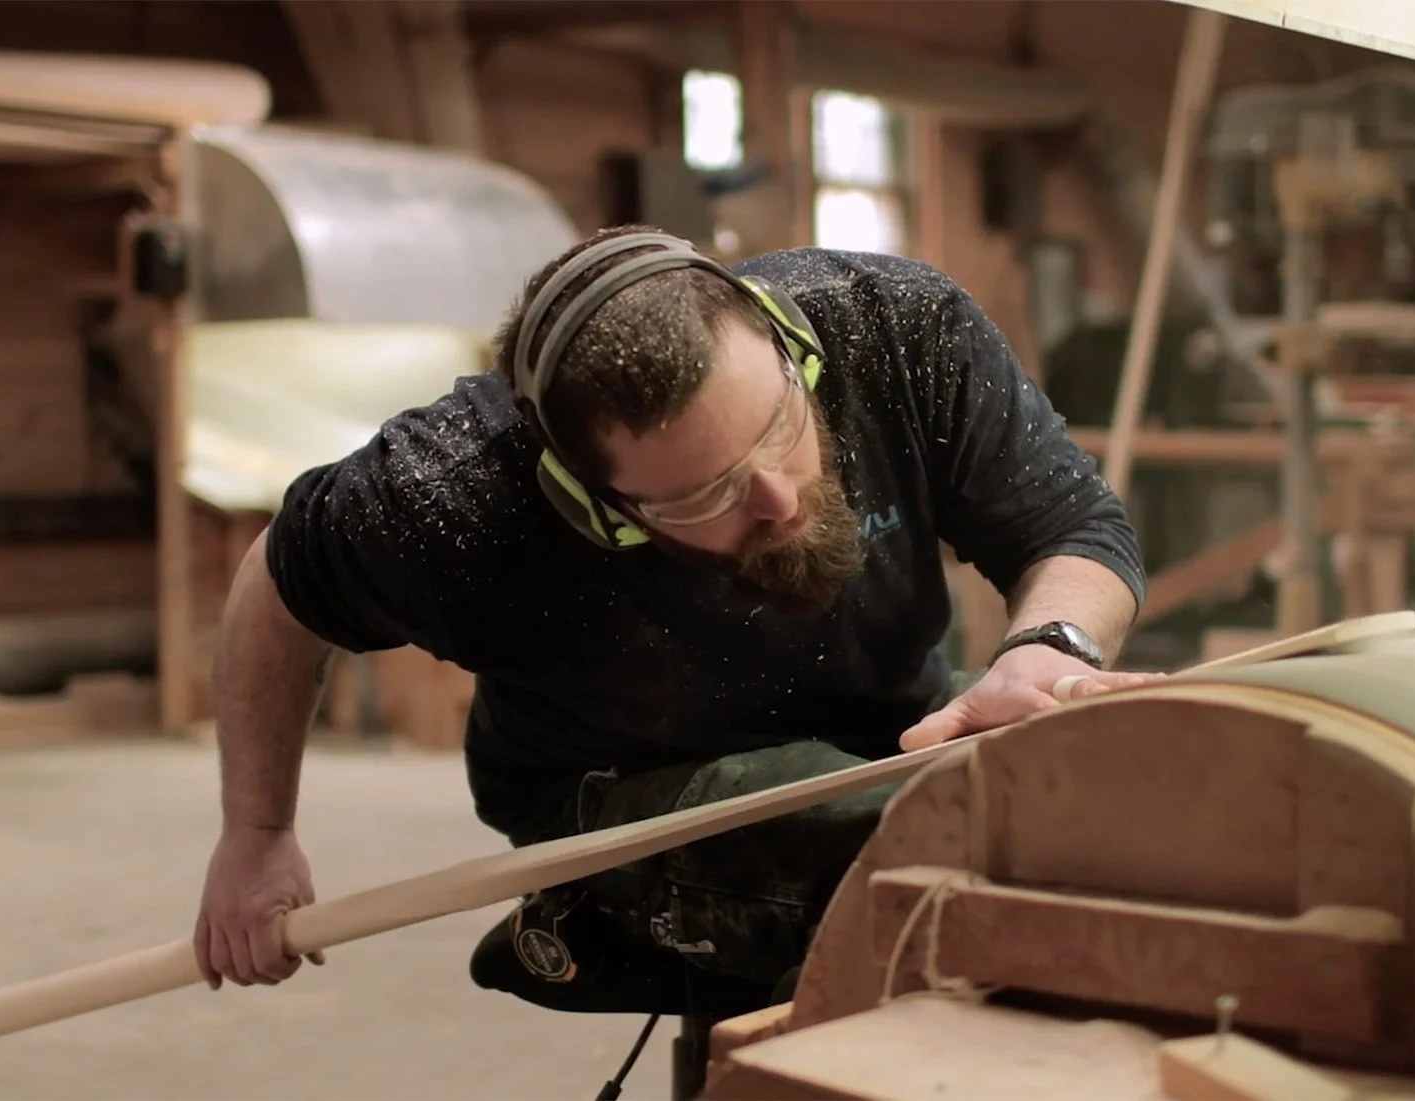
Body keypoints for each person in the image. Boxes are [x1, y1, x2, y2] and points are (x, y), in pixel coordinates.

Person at [192, 226, 1156, 1005]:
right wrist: (256, 833)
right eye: (709, 495)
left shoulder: (895, 329)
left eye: (781, 427)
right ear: (597, 504)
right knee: (934, 855)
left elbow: (1073, 524)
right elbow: (274, 591)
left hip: (883, 734)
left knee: (1066, 814)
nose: (777, 497)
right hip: (617, 790)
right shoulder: (451, 496)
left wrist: (1047, 646)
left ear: (786, 346)